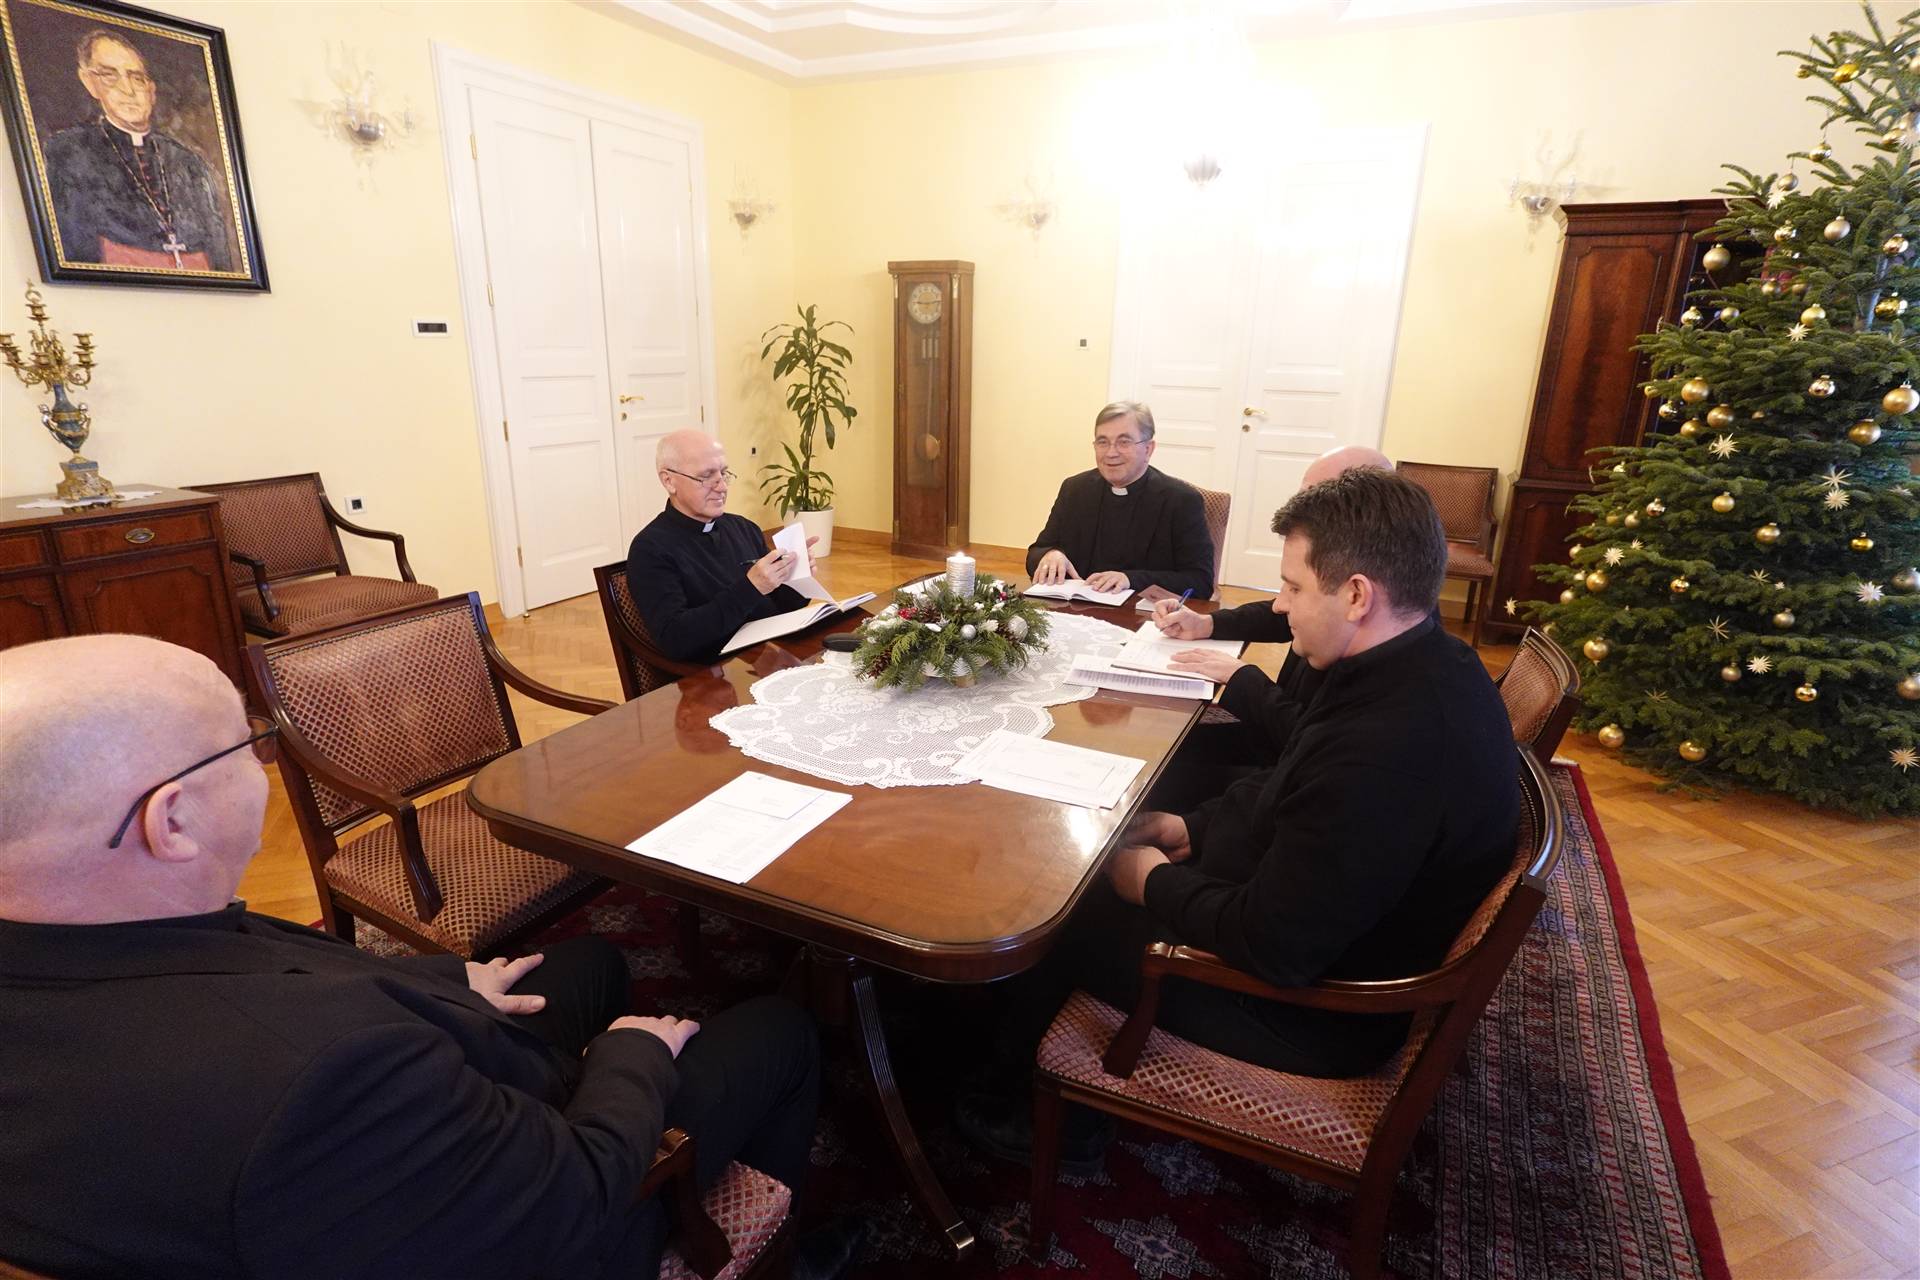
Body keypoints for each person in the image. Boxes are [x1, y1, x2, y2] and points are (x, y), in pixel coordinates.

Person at [0, 634, 856, 1280]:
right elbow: (572, 1195)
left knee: (589, 962)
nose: (263, 761)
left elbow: (272, 971)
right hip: (565, 1214)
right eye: (249, 742)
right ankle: (786, 1248)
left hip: (402, 1147)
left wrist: (449, 983)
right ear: (173, 820)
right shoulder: (320, 1082)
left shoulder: (84, 935)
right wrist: (633, 1055)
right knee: (778, 1029)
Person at [959, 468, 1521, 1169]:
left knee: (1057, 910)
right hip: (1325, 926)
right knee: (1091, 864)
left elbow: (1274, 945)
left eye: (1293, 587)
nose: (1279, 606)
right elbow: (1291, 784)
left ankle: (1031, 1116)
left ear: (1356, 595)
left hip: (1315, 1012)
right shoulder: (1425, 663)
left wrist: (1150, 882)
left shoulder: (1391, 750)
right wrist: (1190, 829)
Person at [1146, 445, 1395, 807]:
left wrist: (1244, 679)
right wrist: (1206, 623)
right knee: (1158, 744)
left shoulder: (1379, 636)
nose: (1282, 603)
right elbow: (1279, 614)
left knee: (1159, 774)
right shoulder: (1359, 590)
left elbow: (1307, 750)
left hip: (1282, 766)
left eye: (1315, 499)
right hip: (1276, 742)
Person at [42, 29, 235, 271]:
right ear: (89, 82)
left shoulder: (189, 163)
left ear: (151, 91)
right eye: (109, 76)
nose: (128, 90)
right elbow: (75, 253)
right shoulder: (69, 151)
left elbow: (219, 255)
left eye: (137, 78)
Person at [627, 429, 814, 663]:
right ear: (669, 481)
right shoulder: (650, 549)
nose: (722, 487)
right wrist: (751, 587)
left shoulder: (743, 527)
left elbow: (779, 608)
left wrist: (796, 577)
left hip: (768, 655)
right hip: (719, 673)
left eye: (724, 473)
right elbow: (675, 638)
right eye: (706, 477)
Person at [1025, 401, 1215, 597]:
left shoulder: (1181, 500)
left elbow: (1200, 582)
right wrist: (1050, 555)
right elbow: (1036, 552)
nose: (1111, 453)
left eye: (1124, 442)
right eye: (1102, 442)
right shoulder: (1074, 489)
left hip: (1141, 611)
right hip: (1076, 607)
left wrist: (1130, 579)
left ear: (1148, 449)